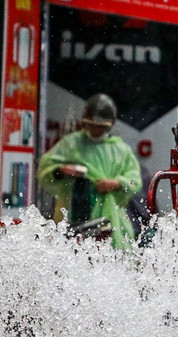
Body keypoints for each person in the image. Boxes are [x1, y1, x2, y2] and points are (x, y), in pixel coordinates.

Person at [39, 93, 142, 250]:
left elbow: (135, 181)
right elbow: (45, 170)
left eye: (100, 127)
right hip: (73, 212)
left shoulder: (121, 150)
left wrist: (116, 183)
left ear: (110, 125)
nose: (95, 130)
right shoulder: (71, 145)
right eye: (91, 125)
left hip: (111, 219)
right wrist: (61, 171)